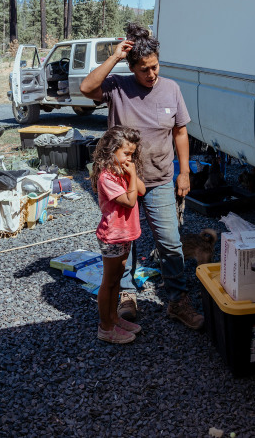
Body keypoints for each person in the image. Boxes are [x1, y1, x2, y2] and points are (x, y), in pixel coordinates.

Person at [80, 22, 205, 330]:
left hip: (161, 178)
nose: (152, 74)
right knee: (126, 242)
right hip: (122, 183)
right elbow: (86, 88)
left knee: (169, 242)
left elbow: (181, 132)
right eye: (144, 69)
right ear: (131, 66)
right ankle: (126, 295)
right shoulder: (118, 86)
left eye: (155, 66)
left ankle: (177, 301)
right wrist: (114, 57)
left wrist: (184, 173)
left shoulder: (171, 89)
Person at [90, 125, 146, 344]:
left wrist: (132, 173)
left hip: (125, 235)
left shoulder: (121, 172)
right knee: (109, 282)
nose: (129, 159)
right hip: (112, 236)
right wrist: (131, 175)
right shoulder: (107, 178)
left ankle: (113, 317)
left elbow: (141, 190)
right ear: (111, 151)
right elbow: (131, 200)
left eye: (132, 154)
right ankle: (105, 327)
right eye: (126, 154)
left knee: (116, 280)